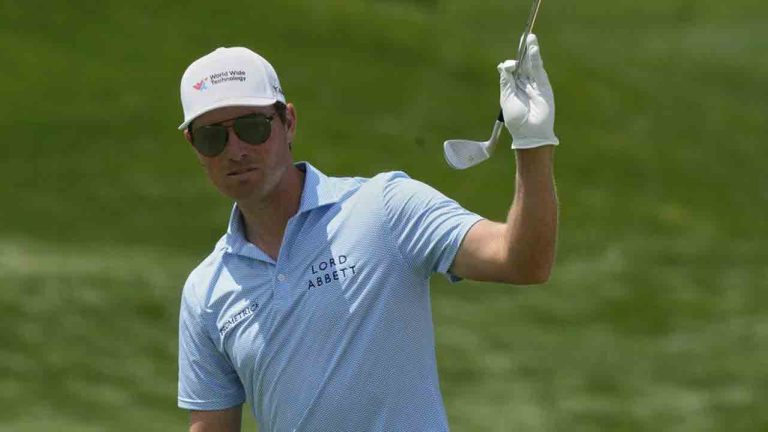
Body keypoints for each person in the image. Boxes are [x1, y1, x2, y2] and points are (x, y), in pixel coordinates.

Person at [177, 35, 558, 432]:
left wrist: (533, 144)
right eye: (212, 137)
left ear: (288, 122)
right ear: (194, 146)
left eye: (252, 128)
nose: (235, 150)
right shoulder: (206, 290)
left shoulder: (385, 208)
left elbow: (523, 261)